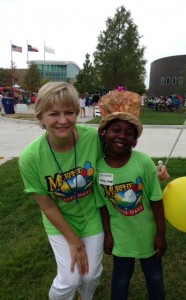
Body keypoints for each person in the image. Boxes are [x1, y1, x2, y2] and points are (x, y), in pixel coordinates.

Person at [18, 82, 104, 300]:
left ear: (77, 112)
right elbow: (47, 205)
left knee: (91, 275)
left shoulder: (93, 139)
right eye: (53, 113)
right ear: (41, 117)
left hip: (91, 215)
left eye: (69, 112)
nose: (63, 120)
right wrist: (75, 242)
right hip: (59, 219)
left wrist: (153, 170)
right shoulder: (31, 158)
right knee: (70, 280)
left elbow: (120, 160)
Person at [95, 89, 167, 300]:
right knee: (120, 277)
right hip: (121, 237)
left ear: (135, 140)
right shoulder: (98, 168)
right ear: (104, 134)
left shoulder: (143, 162)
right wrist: (108, 234)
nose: (121, 136)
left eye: (129, 133)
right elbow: (103, 206)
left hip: (148, 235)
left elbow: (156, 199)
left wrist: (161, 234)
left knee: (154, 276)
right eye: (115, 130)